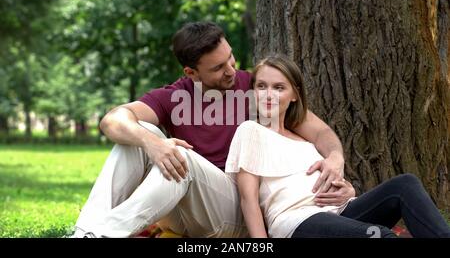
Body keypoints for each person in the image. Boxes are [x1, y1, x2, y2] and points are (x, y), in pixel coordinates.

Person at [71, 22, 351, 238]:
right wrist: (152, 143)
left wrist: (336, 159)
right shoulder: (173, 97)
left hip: (239, 212)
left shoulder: (255, 88)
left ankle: (104, 231)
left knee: (181, 158)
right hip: (185, 209)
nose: (231, 70)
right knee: (139, 131)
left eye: (230, 59)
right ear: (191, 73)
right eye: (218, 67)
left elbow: (320, 132)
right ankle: (86, 231)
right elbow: (112, 120)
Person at [225, 54, 450, 238]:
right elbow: (248, 199)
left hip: (341, 212)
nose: (268, 95)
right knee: (379, 235)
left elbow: (324, 162)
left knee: (405, 185)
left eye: (279, 87)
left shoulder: (303, 138)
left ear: (294, 94)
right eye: (261, 86)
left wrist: (346, 190)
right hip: (297, 220)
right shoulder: (251, 130)